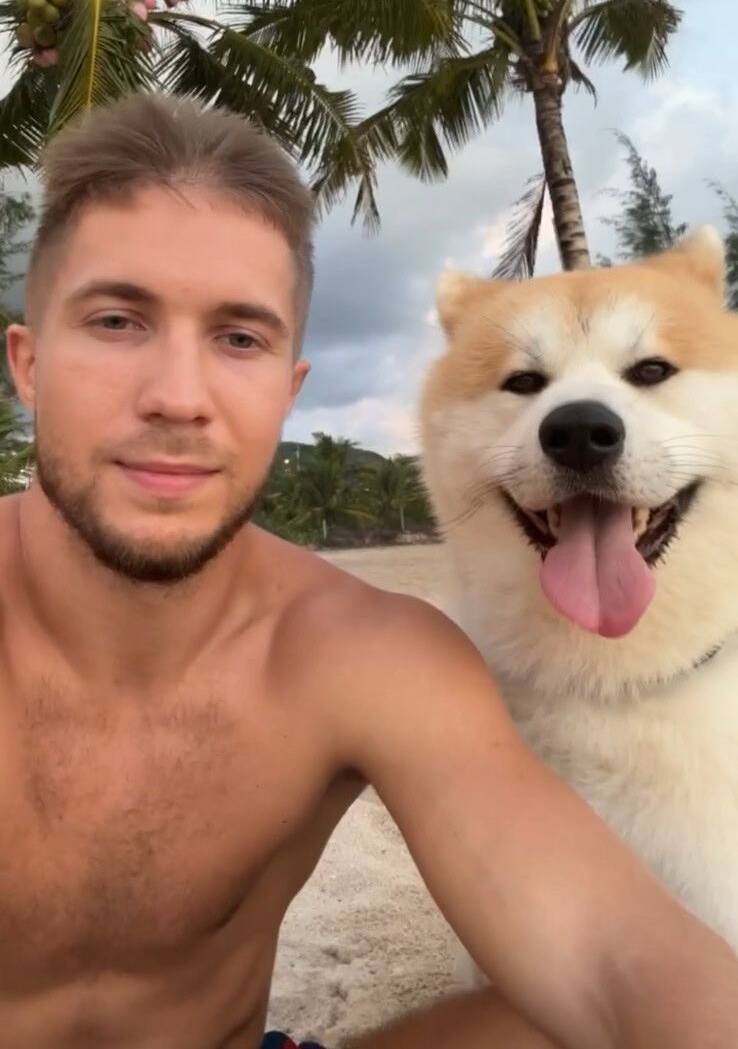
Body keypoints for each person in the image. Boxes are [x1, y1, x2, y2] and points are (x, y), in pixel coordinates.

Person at [2, 92, 735, 1049]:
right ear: (27, 363)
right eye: (116, 320)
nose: (177, 396)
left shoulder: (365, 654)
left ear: (289, 387)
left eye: (238, 338)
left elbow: (612, 956)